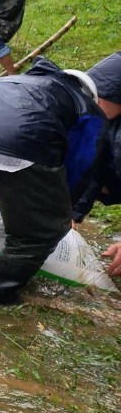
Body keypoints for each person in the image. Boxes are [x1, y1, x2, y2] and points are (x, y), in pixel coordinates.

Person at [0, 56, 118, 304]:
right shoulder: (86, 108)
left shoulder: (18, 81)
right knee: (37, 237)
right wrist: (65, 212)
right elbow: (82, 163)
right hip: (19, 140)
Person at [73, 55, 121, 277]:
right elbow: (96, 162)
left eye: (97, 99)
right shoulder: (105, 119)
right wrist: (74, 212)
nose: (91, 105)